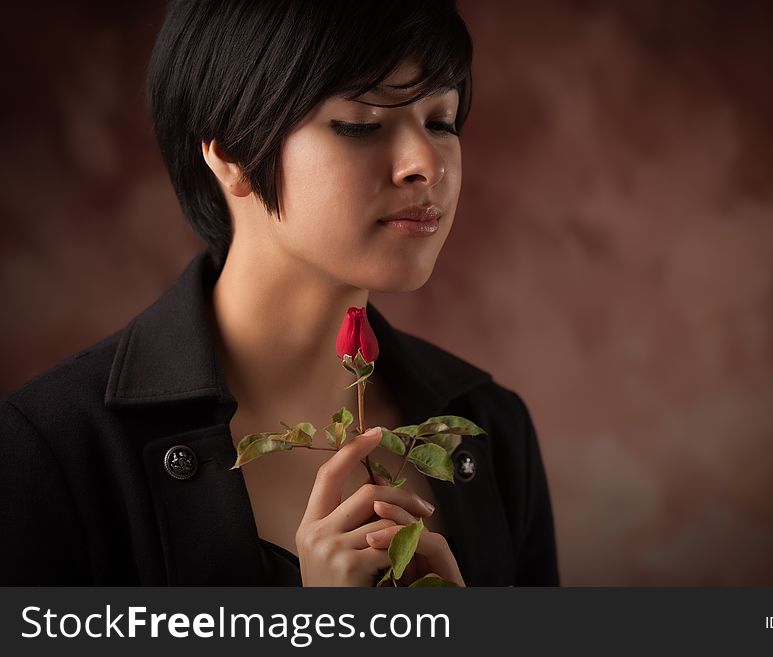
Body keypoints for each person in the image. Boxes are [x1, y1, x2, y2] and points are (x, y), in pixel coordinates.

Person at [0, 0, 558, 586]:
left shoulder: (487, 427)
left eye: (441, 122)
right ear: (230, 153)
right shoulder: (48, 450)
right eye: (360, 124)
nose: (426, 164)